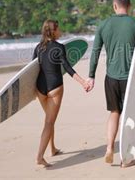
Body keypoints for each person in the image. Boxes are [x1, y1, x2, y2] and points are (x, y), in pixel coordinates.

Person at [86, 0, 135, 168]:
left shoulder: (103, 25)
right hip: (131, 79)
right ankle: (126, 158)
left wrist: (91, 76)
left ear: (114, 5)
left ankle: (110, 147)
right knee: (132, 115)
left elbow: (95, 52)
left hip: (111, 78)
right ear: (129, 5)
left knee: (114, 113)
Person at [32, 19, 89, 167]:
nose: (61, 31)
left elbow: (32, 71)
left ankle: (52, 148)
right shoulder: (59, 47)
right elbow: (68, 69)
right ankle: (39, 156)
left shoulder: (38, 47)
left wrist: (30, 93)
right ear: (54, 31)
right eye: (59, 29)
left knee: (49, 120)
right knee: (49, 122)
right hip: (54, 88)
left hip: (40, 89)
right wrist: (83, 82)